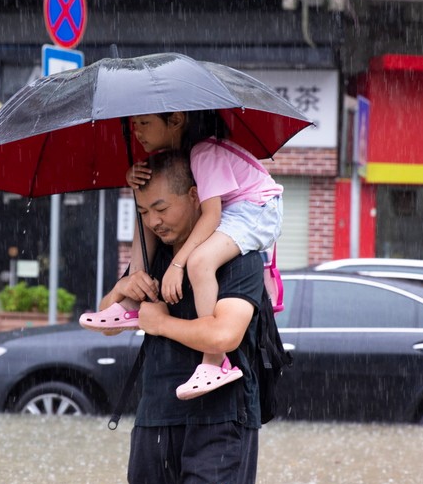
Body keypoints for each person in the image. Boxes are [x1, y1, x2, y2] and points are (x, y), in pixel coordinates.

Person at [96, 149, 266, 484]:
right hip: (156, 414)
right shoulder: (152, 254)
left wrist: (161, 323)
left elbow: (225, 335)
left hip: (220, 417)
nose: (153, 220)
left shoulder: (236, 254)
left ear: (195, 197)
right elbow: (107, 322)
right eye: (143, 210)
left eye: (161, 207)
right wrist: (123, 289)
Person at [79, 110, 283, 400]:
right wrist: (125, 286)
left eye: (145, 123)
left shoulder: (204, 153)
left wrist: (178, 266)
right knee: (154, 217)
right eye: (135, 125)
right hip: (157, 415)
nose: (137, 132)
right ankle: (128, 305)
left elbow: (211, 215)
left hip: (257, 211)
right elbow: (106, 328)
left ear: (176, 120)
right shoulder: (183, 159)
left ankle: (215, 362)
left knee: (200, 262)